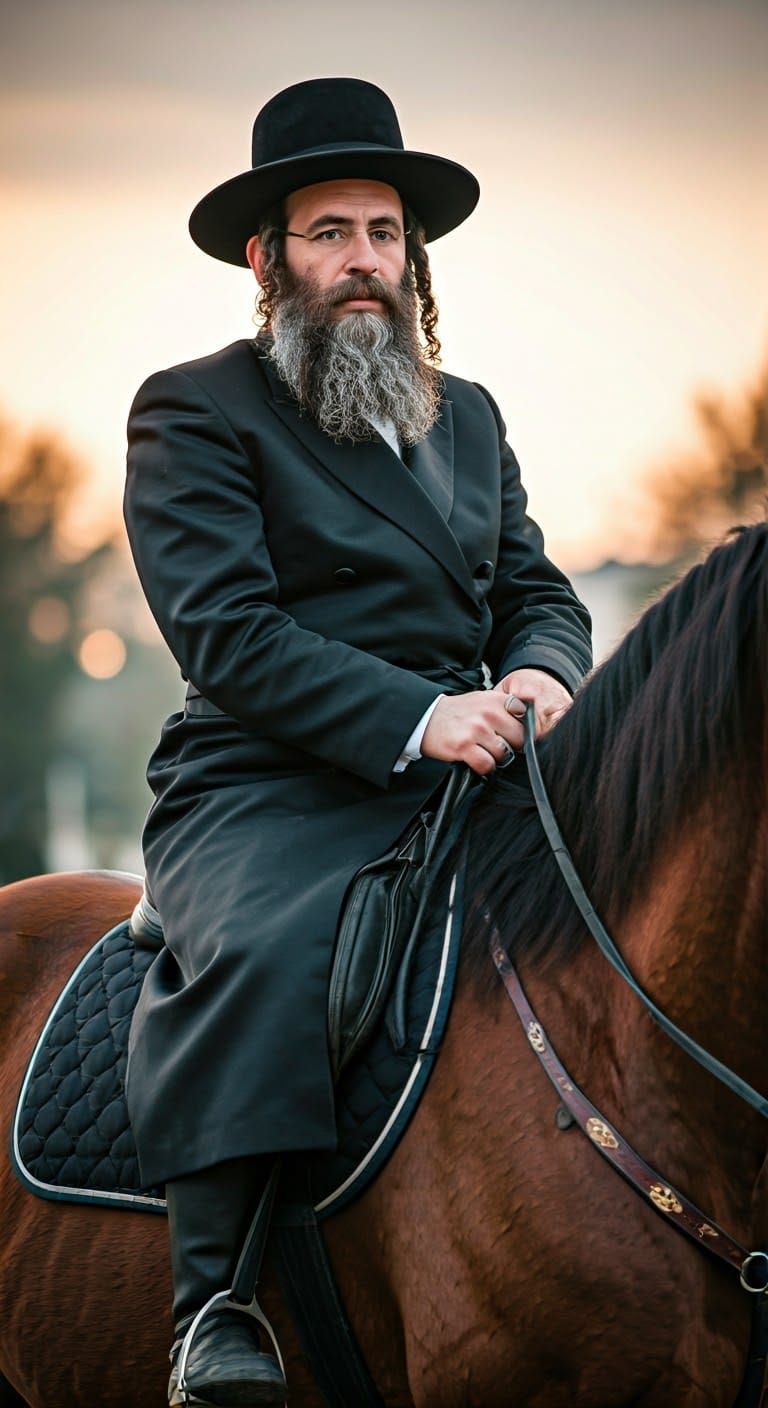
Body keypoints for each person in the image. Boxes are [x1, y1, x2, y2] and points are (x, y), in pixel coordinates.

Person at [123, 76, 592, 1408]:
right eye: (331, 233)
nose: (364, 262)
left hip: (486, 763)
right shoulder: (194, 410)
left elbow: (540, 594)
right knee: (275, 945)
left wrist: (542, 679)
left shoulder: (472, 417)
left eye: (384, 233)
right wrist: (420, 715)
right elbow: (229, 637)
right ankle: (211, 1303)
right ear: (269, 257)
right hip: (268, 784)